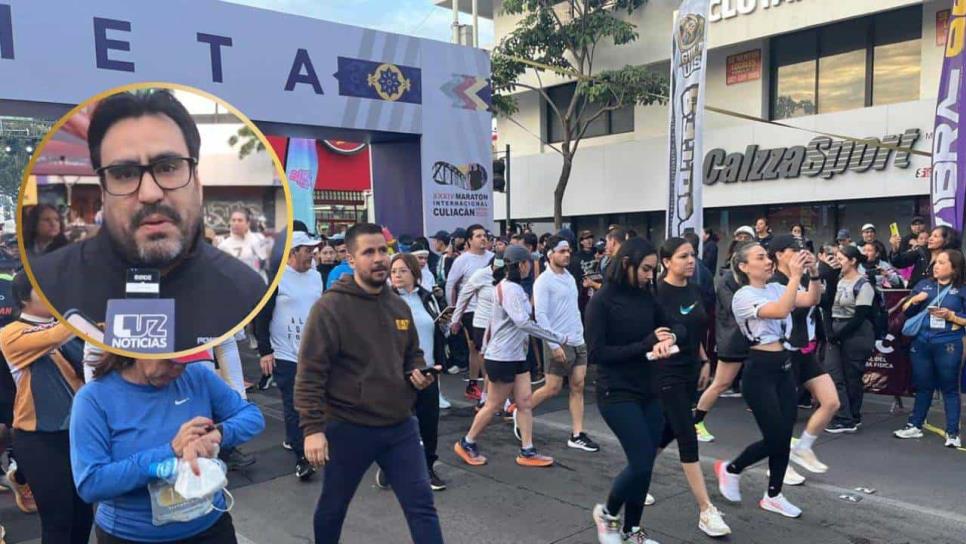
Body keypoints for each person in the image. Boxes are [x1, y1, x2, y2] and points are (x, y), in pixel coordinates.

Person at [27, 90, 266, 353]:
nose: (150, 193)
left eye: (168, 167)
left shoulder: (246, 289)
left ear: (197, 184)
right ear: (104, 193)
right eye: (124, 173)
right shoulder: (47, 284)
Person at [296, 223, 443, 544]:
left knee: (422, 508)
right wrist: (312, 429)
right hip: (349, 428)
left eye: (383, 251)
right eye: (369, 252)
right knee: (333, 508)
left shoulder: (397, 305)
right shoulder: (330, 308)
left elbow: (412, 354)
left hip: (400, 427)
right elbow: (310, 373)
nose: (379, 259)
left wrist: (418, 372)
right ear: (351, 259)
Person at [70, 352, 265, 543]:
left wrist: (217, 434)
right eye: (169, 361)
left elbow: (252, 417)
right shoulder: (93, 398)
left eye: (185, 361)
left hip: (209, 526)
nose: (177, 369)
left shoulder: (196, 375)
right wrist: (170, 451)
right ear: (138, 349)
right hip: (132, 534)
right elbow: (91, 484)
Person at [586, 238, 683, 544]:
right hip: (616, 392)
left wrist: (668, 339)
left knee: (644, 466)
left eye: (653, 270)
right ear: (627, 263)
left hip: (649, 390)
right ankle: (608, 514)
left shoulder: (647, 296)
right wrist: (645, 345)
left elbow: (674, 325)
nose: (649, 276)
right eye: (645, 269)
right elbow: (598, 353)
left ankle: (632, 531)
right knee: (641, 461)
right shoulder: (601, 302)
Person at [715, 242, 818, 519]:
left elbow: (809, 300)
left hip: (784, 368)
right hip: (759, 372)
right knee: (775, 437)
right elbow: (781, 311)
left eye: (767, 256)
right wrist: (795, 276)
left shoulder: (775, 287)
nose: (767, 261)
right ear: (744, 266)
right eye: (760, 257)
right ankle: (732, 468)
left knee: (784, 437)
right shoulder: (743, 296)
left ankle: (774, 495)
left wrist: (815, 274)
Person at [453, 245, 578, 469]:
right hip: (502, 356)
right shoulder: (509, 289)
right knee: (493, 404)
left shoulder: (513, 288)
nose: (531, 267)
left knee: (525, 403)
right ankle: (467, 442)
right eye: (529, 262)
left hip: (515, 355)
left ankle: (527, 450)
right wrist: (557, 337)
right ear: (521, 264)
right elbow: (523, 321)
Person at [0, 271, 90, 544]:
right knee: (58, 521)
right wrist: (81, 312)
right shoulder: (10, 334)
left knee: (84, 517)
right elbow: (52, 336)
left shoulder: (67, 329)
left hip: (79, 434)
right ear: (25, 298)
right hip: (39, 438)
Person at [653, 238, 731, 537]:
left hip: (690, 370)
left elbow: (697, 329)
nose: (691, 261)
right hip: (665, 372)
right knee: (687, 434)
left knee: (668, 431)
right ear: (666, 261)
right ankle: (706, 510)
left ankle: (636, 476)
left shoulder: (694, 289)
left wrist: (704, 360)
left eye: (693, 255)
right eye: (683, 256)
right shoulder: (656, 293)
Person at [765, 235, 837, 476]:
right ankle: (777, 466)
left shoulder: (802, 278)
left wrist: (815, 272)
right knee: (785, 415)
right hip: (783, 351)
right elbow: (801, 302)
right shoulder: (774, 283)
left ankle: (803, 447)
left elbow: (816, 299)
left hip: (803, 351)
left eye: (801, 248)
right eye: (792, 249)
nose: (799, 253)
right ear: (778, 254)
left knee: (831, 401)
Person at [254, 231, 323, 481]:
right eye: (307, 250)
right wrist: (265, 351)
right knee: (295, 407)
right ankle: (301, 458)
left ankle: (313, 443)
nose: (312, 255)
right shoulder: (277, 278)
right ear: (292, 252)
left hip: (316, 352)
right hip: (286, 354)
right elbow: (261, 316)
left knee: (317, 402)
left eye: (313, 250)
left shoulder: (316, 276)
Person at [382, 253, 447, 490]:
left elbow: (436, 329)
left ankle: (428, 468)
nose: (397, 275)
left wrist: (445, 327)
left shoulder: (426, 298)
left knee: (429, 424)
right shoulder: (385, 301)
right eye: (393, 271)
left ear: (414, 273)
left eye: (402, 270)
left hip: (428, 370)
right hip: (399, 375)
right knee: (402, 425)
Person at [530, 236, 600, 452]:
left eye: (568, 250)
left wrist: (580, 333)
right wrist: (553, 344)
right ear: (550, 254)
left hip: (578, 339)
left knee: (578, 385)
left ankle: (577, 434)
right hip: (558, 340)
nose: (567, 254)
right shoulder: (543, 281)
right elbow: (540, 316)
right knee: (552, 388)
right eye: (562, 251)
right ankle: (521, 411)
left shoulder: (570, 277)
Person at [894, 249, 966, 448]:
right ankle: (915, 424)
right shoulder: (924, 285)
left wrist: (952, 317)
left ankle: (953, 432)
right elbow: (905, 310)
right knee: (923, 384)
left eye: (942, 263)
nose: (936, 266)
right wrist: (915, 300)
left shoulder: (962, 290)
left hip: (948, 342)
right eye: (936, 262)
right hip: (922, 341)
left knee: (949, 388)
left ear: (954, 268)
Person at [824, 245, 877, 434]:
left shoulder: (864, 284)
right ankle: (845, 414)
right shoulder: (836, 280)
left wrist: (839, 334)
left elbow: (860, 315)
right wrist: (831, 331)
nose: (838, 261)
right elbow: (827, 305)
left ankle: (850, 416)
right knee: (834, 373)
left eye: (841, 258)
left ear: (853, 260)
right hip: (837, 329)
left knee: (852, 376)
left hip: (856, 333)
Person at [445, 224, 494, 401]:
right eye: (478, 236)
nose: (483, 239)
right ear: (469, 240)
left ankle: (475, 384)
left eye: (485, 235)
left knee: (478, 349)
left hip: (490, 308)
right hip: (470, 310)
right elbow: (451, 284)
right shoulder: (462, 260)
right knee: (481, 349)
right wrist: (453, 311)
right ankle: (487, 391)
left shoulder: (493, 258)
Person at [890, 225, 961, 290]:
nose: (930, 239)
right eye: (931, 236)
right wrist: (895, 248)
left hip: (935, 297)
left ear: (946, 240)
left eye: (935, 236)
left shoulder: (952, 258)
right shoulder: (921, 250)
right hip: (913, 294)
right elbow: (899, 262)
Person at [217, 207, 269, 278]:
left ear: (248, 223)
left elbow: (268, 262)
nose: (236, 223)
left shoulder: (259, 238)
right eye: (233, 220)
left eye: (240, 220)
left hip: (260, 282)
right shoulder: (223, 245)